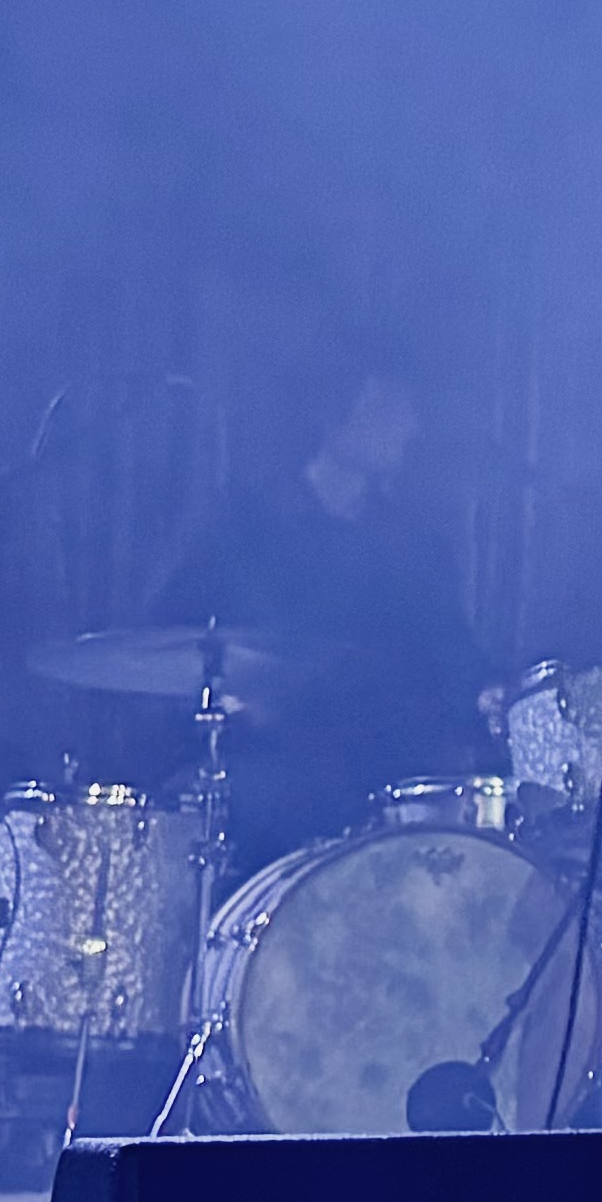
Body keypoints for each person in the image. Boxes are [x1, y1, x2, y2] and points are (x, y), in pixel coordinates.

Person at [147, 367, 492, 870]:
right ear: (336, 416)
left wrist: (489, 694)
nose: (411, 427)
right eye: (390, 410)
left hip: (381, 767)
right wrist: (234, 699)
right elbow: (165, 640)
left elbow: (450, 653)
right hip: (268, 762)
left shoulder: (412, 545)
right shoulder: (245, 527)